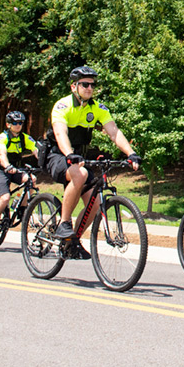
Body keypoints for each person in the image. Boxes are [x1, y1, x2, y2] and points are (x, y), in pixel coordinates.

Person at [46, 66, 141, 256]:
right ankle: (64, 223)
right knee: (79, 174)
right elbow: (60, 132)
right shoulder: (63, 105)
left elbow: (113, 132)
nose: (90, 88)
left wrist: (130, 153)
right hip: (57, 155)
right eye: (85, 84)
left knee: (95, 203)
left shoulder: (97, 108)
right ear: (74, 86)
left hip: (79, 158)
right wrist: (69, 154)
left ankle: (72, 242)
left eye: (92, 85)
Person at [0, 110, 38, 237]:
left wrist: (44, 161)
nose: (18, 125)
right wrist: (7, 166)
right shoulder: (2, 138)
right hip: (1, 170)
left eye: (20, 122)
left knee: (32, 179)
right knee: (5, 198)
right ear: (8, 124)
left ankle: (21, 207)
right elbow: (2, 154)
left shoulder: (24, 138)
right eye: (15, 122)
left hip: (15, 169)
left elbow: (36, 149)